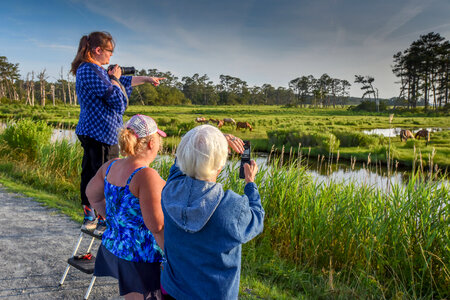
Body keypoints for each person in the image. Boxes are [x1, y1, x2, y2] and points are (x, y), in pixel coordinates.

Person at [71, 31, 165, 233]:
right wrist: (114, 78)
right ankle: (100, 217)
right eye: (109, 52)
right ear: (98, 50)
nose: (111, 57)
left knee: (93, 171)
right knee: (104, 175)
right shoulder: (89, 70)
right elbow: (118, 100)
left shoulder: (95, 70)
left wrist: (147, 79)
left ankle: (96, 216)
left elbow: (125, 83)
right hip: (100, 133)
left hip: (99, 132)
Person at [160, 125, 265, 300]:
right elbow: (258, 218)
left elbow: (179, 164)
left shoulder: (169, 190)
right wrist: (250, 183)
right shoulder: (231, 207)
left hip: (173, 290)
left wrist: (212, 138)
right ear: (222, 164)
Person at [86, 114, 166, 300]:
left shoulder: (111, 166)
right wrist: (175, 257)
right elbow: (157, 227)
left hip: (116, 247)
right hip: (142, 256)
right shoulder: (147, 176)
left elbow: (91, 194)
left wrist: (113, 219)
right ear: (151, 143)